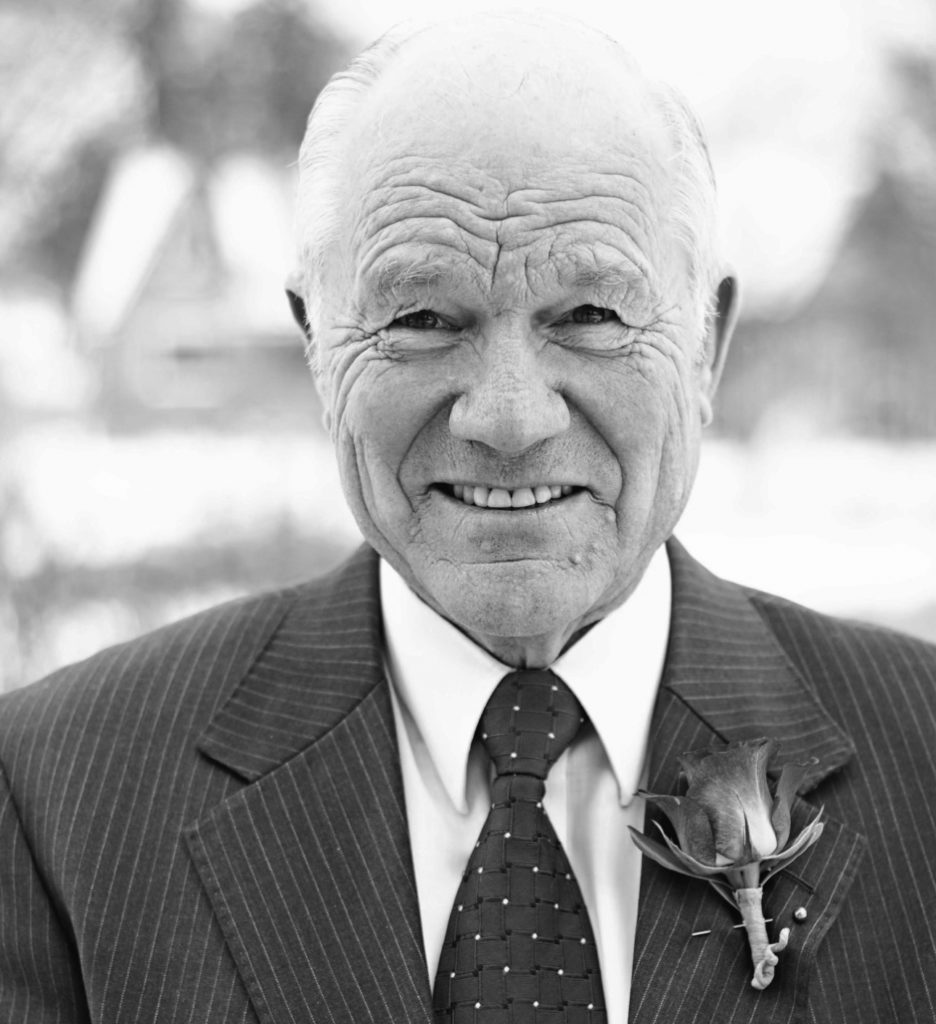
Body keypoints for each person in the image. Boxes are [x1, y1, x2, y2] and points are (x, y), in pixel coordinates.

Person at [1, 12, 934, 1024]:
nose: (510, 417)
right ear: (316, 345)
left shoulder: (921, 754)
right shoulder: (60, 793)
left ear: (707, 344)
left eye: (591, 316)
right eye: (422, 319)